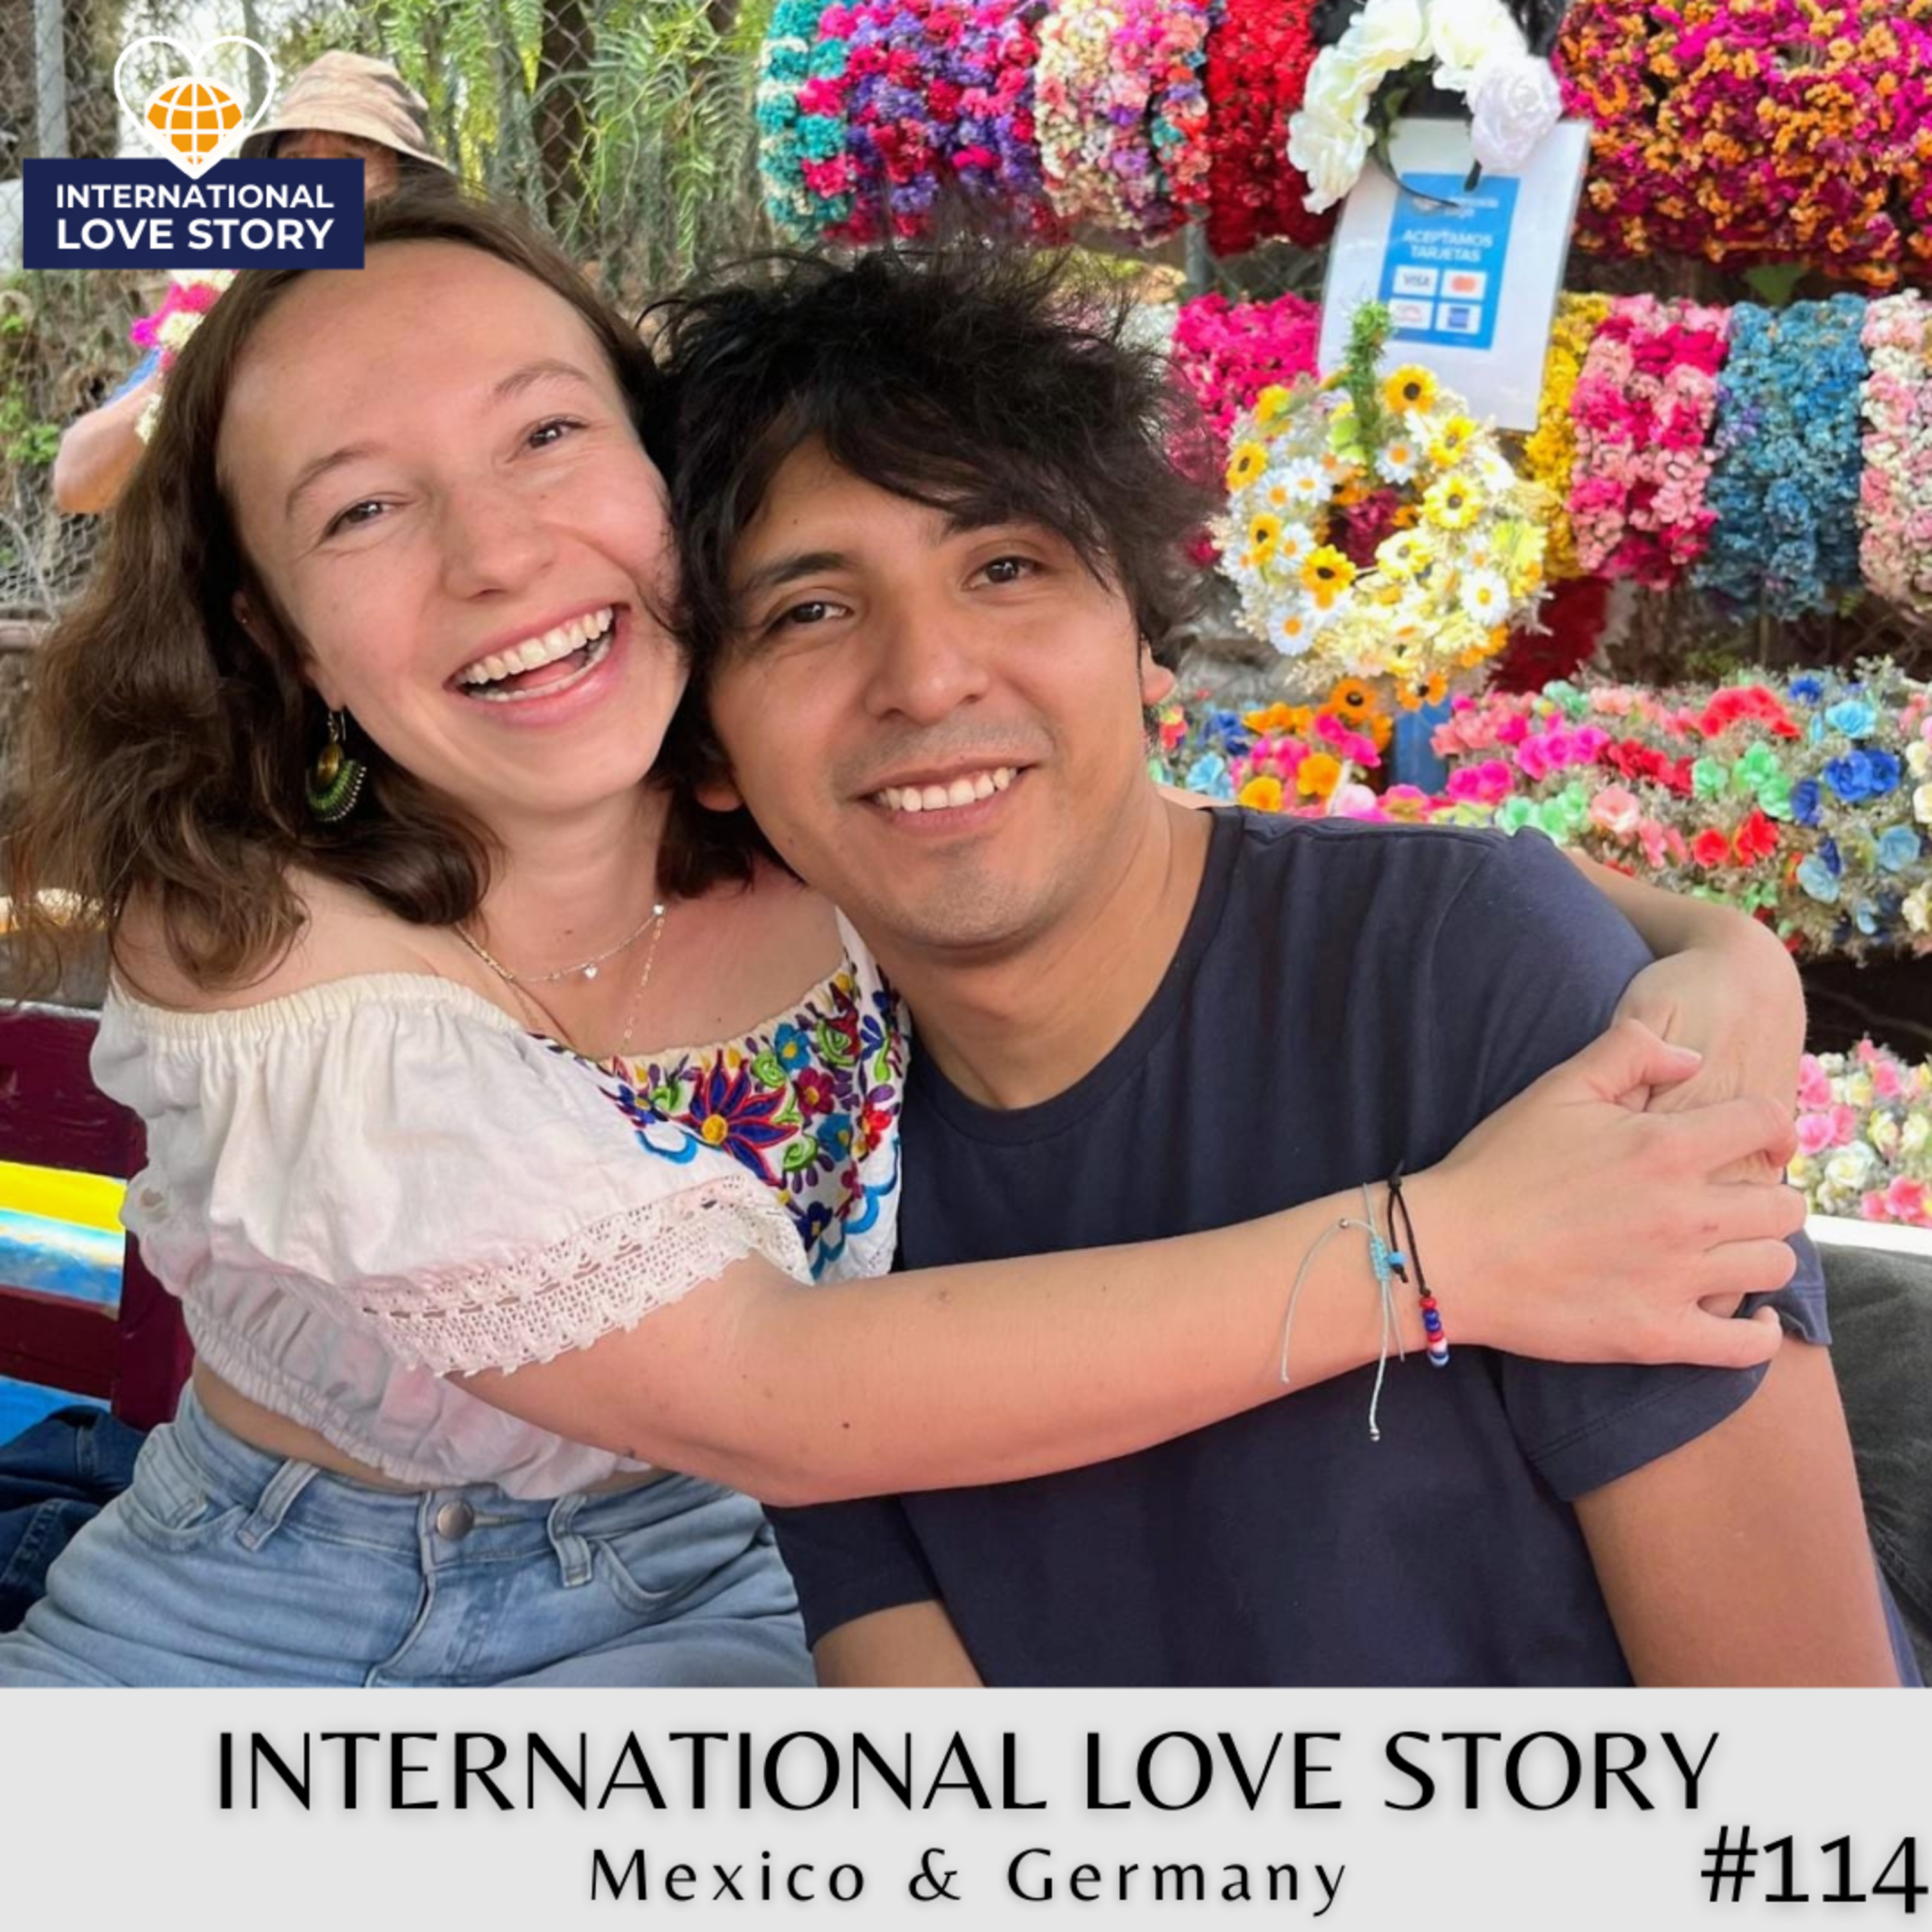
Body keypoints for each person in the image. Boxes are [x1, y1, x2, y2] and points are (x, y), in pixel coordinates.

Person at [0, 191, 1804, 1688]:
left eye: (545, 434)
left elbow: (1142, 820)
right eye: (361, 509)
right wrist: (1439, 1253)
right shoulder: (259, 941)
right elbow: (772, 1389)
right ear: (278, 633)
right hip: (274, 1610)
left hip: (726, 1583)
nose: (496, 552)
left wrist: (1713, 943)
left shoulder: (804, 820)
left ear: (658, 491)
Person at [652, 243, 1917, 1688]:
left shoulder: (1471, 977)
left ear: (1148, 642)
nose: (930, 677)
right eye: (811, 612)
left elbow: (1808, 1754)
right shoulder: (801, 1167)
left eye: (1007, 568)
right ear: (707, 745)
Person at [50, 52, 450, 518]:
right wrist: (184, 370)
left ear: (403, 186)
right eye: (297, 160)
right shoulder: (228, 301)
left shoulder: (450, 301)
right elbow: (78, 484)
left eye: (349, 159)